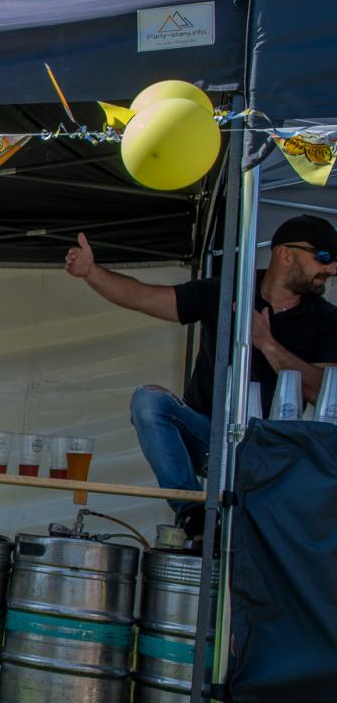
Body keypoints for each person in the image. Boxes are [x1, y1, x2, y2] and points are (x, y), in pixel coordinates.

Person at [65, 214, 337, 534]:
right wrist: (92, 273)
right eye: (324, 257)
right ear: (284, 253)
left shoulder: (327, 318)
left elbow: (324, 393)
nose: (332, 269)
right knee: (148, 401)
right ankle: (194, 514)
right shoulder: (227, 291)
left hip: (273, 451)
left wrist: (266, 343)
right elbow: (144, 297)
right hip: (209, 436)